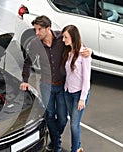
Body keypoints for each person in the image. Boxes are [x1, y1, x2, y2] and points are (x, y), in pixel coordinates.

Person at [19, 15, 91, 152]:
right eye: (35, 29)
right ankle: (56, 146)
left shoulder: (61, 39)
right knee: (50, 115)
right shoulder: (35, 44)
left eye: (39, 29)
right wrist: (24, 81)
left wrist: (89, 50)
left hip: (62, 86)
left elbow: (75, 45)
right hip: (46, 85)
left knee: (63, 118)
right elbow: (28, 62)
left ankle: (53, 140)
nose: (37, 33)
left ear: (48, 28)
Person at [62, 25, 91, 152]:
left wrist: (82, 99)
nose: (63, 39)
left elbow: (86, 79)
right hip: (68, 92)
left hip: (79, 94)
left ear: (73, 37)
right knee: (73, 120)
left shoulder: (84, 54)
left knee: (74, 124)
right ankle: (78, 147)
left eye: (66, 37)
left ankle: (74, 149)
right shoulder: (67, 52)